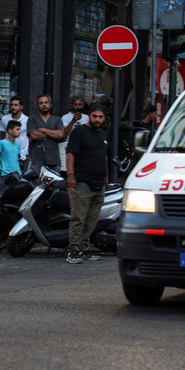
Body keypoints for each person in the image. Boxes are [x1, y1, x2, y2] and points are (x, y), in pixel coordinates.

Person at [65, 104, 109, 264]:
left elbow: (103, 157)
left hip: (99, 183)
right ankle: (73, 250)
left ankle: (83, 249)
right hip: (81, 183)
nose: (97, 119)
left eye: (100, 117)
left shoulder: (103, 135)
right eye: (95, 116)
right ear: (89, 116)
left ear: (104, 118)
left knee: (92, 220)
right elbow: (70, 154)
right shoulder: (79, 132)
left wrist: (106, 177)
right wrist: (71, 176)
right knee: (78, 218)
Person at [27, 94, 64, 174]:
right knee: (36, 185)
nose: (44, 105)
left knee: (54, 185)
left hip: (53, 160)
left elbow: (60, 134)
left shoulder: (57, 119)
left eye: (46, 102)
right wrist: (53, 134)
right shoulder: (32, 119)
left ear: (50, 105)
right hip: (37, 160)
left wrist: (43, 130)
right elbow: (34, 135)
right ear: (38, 107)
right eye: (41, 103)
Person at [0, 96, 29, 172]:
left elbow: (30, 137)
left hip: (22, 156)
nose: (13, 107)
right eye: (11, 105)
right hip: (7, 156)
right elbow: (3, 135)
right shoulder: (4, 119)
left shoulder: (27, 120)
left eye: (16, 105)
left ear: (21, 107)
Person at [60, 96, 90, 172]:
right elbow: (64, 134)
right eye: (75, 104)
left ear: (83, 105)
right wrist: (73, 121)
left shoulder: (86, 118)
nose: (78, 106)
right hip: (70, 146)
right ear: (72, 105)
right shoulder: (65, 117)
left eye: (80, 104)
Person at [0, 120, 22, 186]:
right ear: (10, 131)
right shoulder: (2, 143)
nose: (20, 131)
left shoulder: (18, 144)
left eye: (20, 129)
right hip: (5, 175)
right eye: (17, 129)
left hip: (17, 174)